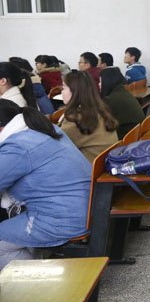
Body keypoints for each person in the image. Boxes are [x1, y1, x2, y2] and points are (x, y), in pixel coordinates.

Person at [0, 99, 90, 269]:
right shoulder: (42, 129)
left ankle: (36, 280)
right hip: (84, 207)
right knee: (12, 228)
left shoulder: (16, 147)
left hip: (62, 219)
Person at [59, 71, 119, 163]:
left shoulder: (75, 119)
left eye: (64, 87)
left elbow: (56, 147)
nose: (61, 92)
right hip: (104, 164)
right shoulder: (99, 109)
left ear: (75, 91)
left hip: (89, 167)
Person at [99, 67, 145, 140]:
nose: (99, 84)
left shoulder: (111, 99)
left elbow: (99, 123)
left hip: (126, 137)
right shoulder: (123, 92)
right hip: (135, 133)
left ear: (107, 82)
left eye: (101, 81)